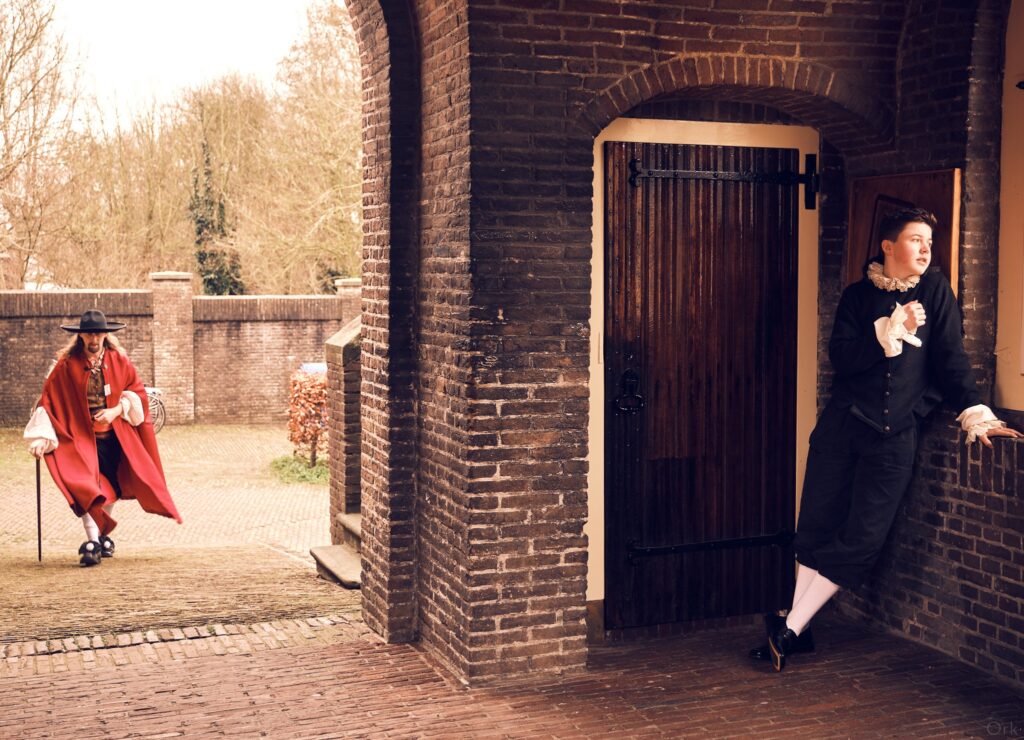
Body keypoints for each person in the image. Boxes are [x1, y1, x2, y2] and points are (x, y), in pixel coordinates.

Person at [751, 207, 1021, 671]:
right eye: (916, 240)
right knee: (814, 525)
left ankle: (789, 629)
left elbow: (951, 359)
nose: (925, 249)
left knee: (864, 537)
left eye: (929, 242)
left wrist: (976, 413)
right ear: (889, 246)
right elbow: (842, 358)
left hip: (894, 436)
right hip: (841, 427)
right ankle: (797, 629)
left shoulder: (935, 291)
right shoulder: (857, 297)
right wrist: (887, 331)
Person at [24, 309, 182, 566]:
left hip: (114, 438)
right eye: (89, 334)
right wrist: (41, 437)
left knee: (110, 489)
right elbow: (49, 402)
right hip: (80, 440)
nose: (94, 339)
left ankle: (101, 535)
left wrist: (116, 411)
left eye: (98, 333)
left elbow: (137, 393)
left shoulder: (119, 361)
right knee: (87, 488)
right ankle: (93, 542)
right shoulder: (66, 365)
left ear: (106, 335)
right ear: (80, 336)